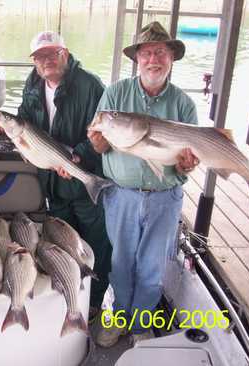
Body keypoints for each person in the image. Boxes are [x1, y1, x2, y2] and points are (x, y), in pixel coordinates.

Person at [89, 21, 199, 347]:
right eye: (147, 52)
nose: (154, 59)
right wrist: (97, 140)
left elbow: (186, 163)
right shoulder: (115, 94)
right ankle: (121, 317)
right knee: (121, 263)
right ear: (137, 58)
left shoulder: (183, 104)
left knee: (152, 268)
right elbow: (98, 144)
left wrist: (187, 163)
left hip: (165, 198)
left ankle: (140, 324)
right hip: (121, 196)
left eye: (161, 53)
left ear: (171, 58)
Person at [0, 31, 112, 317]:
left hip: (83, 177)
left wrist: (77, 156)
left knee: (95, 242)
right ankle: (68, 292)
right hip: (52, 182)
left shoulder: (90, 85)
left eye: (52, 54)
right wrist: (6, 126)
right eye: (40, 57)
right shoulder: (33, 84)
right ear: (34, 62)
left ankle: (93, 302)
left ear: (65, 54)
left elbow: (101, 131)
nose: (46, 61)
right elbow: (25, 117)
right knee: (62, 240)